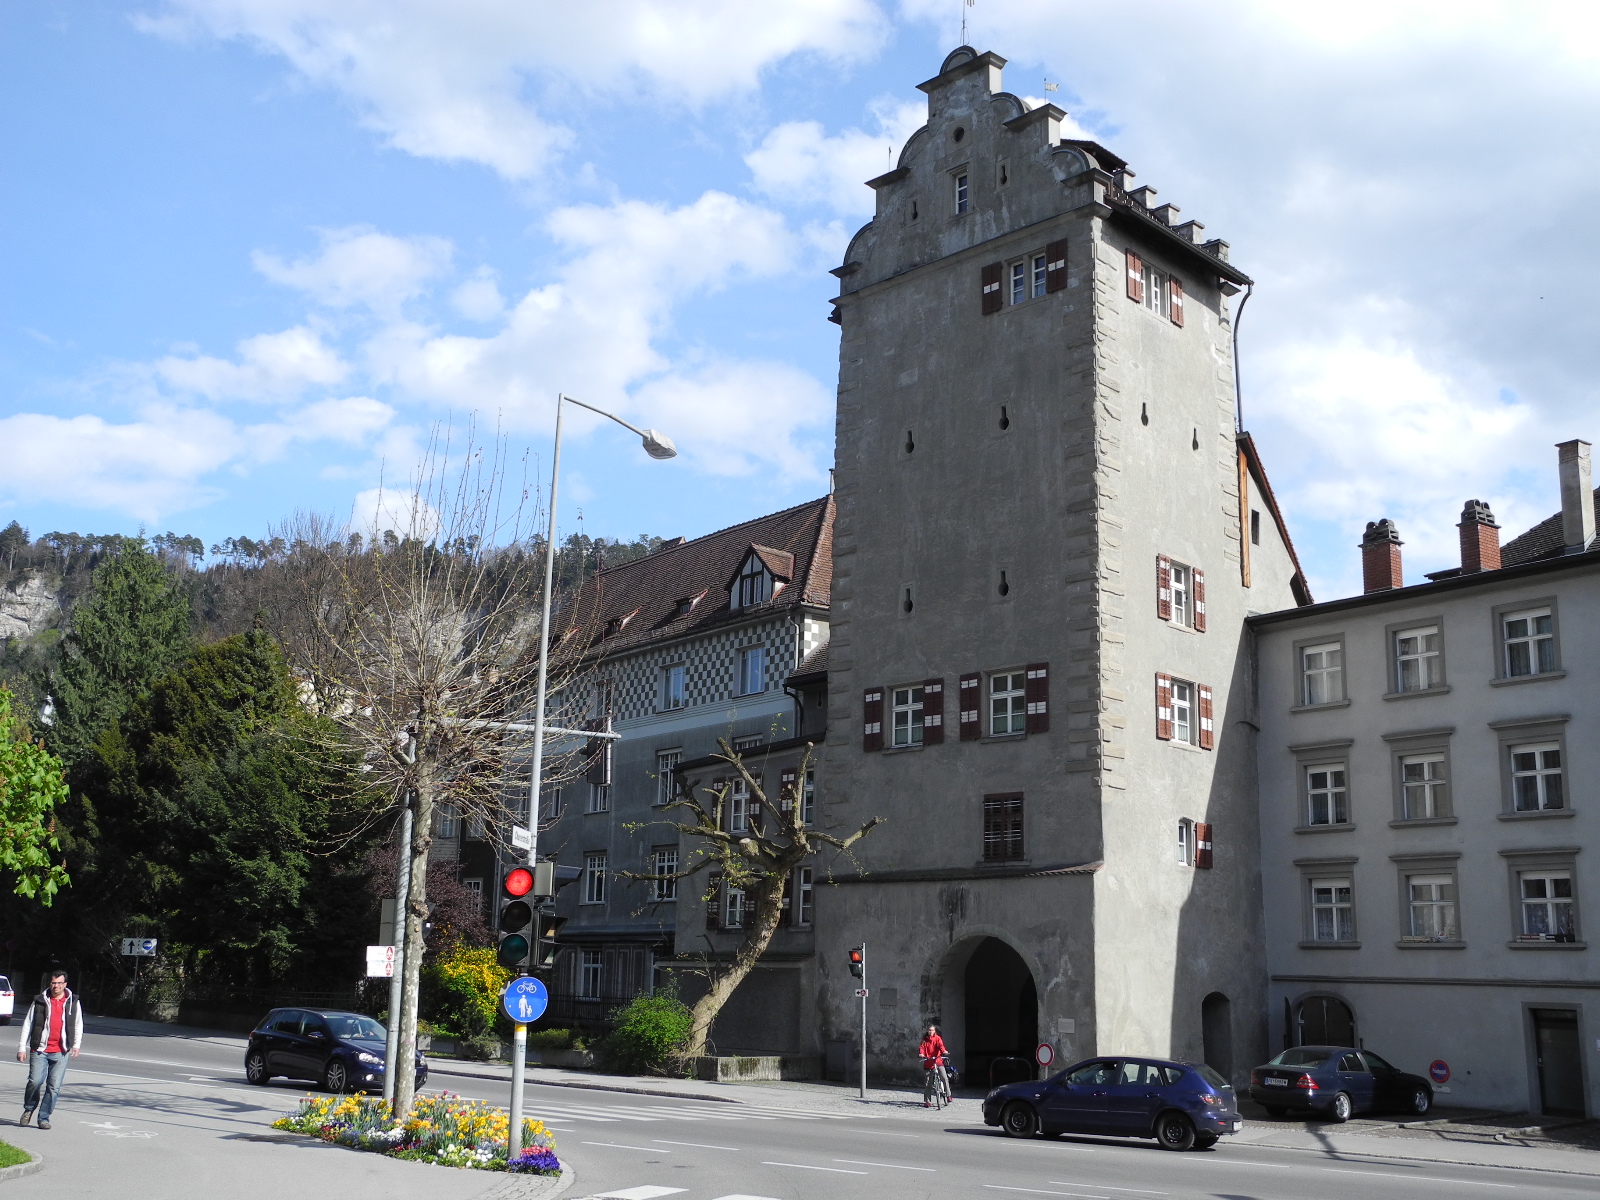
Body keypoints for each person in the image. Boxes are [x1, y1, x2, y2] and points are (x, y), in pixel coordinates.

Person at [17, 969, 82, 1130]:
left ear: (65, 984)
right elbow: (28, 1023)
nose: (56, 986)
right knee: (35, 1081)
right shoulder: (40, 1000)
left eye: (59, 983)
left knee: (54, 1087)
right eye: (53, 983)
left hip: (61, 1051)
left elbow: (78, 1024)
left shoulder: (73, 1002)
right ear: (50, 983)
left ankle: (43, 1118)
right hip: (40, 1049)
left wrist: (76, 1044)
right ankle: (29, 1109)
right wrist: (22, 1047)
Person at [919, 1024, 948, 1108]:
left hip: (938, 1061)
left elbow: (941, 1046)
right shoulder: (924, 1040)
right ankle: (927, 1101)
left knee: (944, 1078)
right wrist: (921, 1054)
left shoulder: (937, 1038)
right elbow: (921, 1048)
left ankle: (948, 1095)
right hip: (928, 1062)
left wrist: (944, 1051)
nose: (930, 1031)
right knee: (928, 1083)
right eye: (929, 1030)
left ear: (934, 1031)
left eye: (932, 1030)